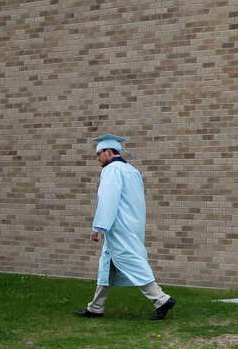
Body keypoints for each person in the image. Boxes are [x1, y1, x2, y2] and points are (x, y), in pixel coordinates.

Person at [75, 134, 176, 320]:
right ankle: (95, 307)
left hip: (118, 225)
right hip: (131, 223)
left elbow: (108, 199)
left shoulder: (112, 171)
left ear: (108, 152)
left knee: (132, 260)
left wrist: (98, 226)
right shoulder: (131, 170)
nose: (97, 158)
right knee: (106, 265)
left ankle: (162, 299)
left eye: (99, 154)